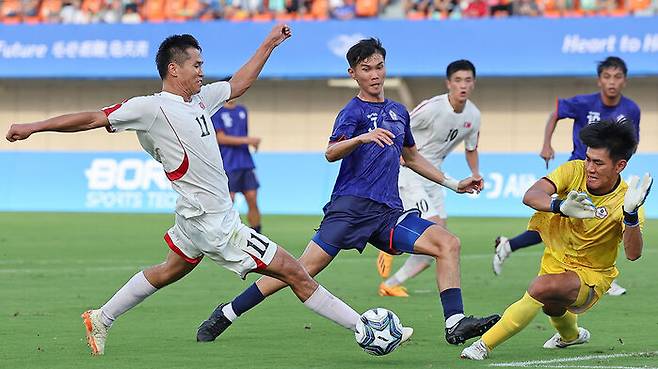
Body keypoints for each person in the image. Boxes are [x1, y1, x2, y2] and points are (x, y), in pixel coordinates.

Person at [5, 25, 386, 356]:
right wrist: (33, 127)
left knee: (170, 270)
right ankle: (365, 329)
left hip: (194, 216)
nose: (202, 72)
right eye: (197, 65)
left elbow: (240, 83)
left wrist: (269, 44)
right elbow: (91, 118)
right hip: (213, 222)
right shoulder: (151, 108)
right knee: (295, 272)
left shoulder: (201, 100)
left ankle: (101, 317)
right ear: (174, 69)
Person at [196, 38, 500, 346]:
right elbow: (330, 152)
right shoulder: (352, 112)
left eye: (379, 67)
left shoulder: (398, 112)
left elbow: (411, 158)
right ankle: (229, 311)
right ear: (353, 73)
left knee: (448, 243)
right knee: (300, 271)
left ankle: (455, 322)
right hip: (350, 209)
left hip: (387, 214)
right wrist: (362, 138)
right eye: (366, 69)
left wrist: (453, 183)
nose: (374, 75)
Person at [461, 120, 652, 360]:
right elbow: (531, 195)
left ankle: (483, 346)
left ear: (619, 165)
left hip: (590, 276)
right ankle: (571, 336)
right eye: (588, 159)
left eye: (598, 163)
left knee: (541, 288)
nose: (590, 168)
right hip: (555, 261)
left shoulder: (625, 200)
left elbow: (633, 254)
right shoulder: (574, 171)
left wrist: (631, 215)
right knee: (551, 304)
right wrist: (559, 205)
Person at [493, 56, 641, 297]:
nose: (612, 82)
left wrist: (616, 168)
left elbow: (631, 142)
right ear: (599, 80)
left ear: (625, 81)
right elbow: (556, 113)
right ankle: (594, 274)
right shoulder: (584, 103)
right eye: (607, 76)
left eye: (617, 77)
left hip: (606, 176)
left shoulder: (631, 109)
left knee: (586, 223)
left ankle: (510, 245)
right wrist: (546, 144)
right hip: (579, 173)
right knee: (568, 222)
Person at [376, 59, 483, 297]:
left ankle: (390, 284)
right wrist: (399, 156)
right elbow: (400, 126)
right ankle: (389, 240)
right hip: (411, 170)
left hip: (435, 176)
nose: (462, 85)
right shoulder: (433, 108)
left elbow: (471, 148)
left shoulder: (473, 115)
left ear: (473, 83)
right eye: (457, 80)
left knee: (440, 242)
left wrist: (476, 173)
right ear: (448, 83)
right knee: (433, 229)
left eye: (467, 80)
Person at [211, 98, 262, 233]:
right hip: (228, 163)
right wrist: (248, 140)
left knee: (252, 198)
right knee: (228, 201)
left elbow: (242, 133)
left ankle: (257, 234)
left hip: (245, 162)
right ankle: (222, 233)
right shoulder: (217, 112)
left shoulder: (242, 110)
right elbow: (220, 138)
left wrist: (248, 141)